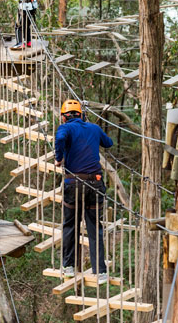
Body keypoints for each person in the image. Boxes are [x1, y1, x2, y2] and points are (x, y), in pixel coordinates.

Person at [55, 99, 113, 284]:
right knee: (95, 227)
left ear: (64, 117)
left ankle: (69, 266)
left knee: (70, 224)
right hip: (95, 184)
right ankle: (101, 271)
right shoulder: (94, 128)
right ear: (81, 114)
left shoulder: (65, 128)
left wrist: (59, 157)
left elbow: (61, 138)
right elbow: (109, 143)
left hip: (73, 182)